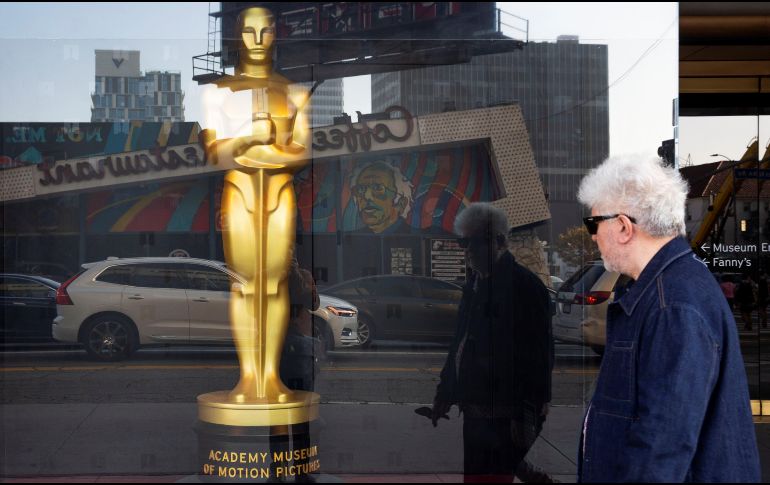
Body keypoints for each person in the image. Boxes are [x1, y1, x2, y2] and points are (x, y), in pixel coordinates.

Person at [576, 155, 760, 482]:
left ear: (622, 226)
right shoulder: (670, 290)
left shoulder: (672, 305)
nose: (592, 236)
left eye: (593, 224)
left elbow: (661, 447)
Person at [199, 7, 312, 404]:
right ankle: (248, 378)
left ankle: (270, 377)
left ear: (276, 33)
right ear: (237, 34)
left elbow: (300, 154)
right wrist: (251, 141)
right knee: (244, 286)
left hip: (278, 195)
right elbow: (215, 155)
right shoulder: (217, 93)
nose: (258, 39)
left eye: (265, 30)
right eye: (249, 31)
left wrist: (246, 151)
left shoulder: (294, 93)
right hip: (241, 194)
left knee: (275, 284)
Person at [431, 202, 554, 482]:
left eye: (476, 241)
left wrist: (529, 413)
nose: (469, 250)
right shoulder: (475, 284)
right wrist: (445, 393)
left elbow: (539, 354)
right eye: (465, 242)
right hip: (474, 411)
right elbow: (460, 345)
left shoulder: (525, 287)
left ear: (499, 241)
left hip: (505, 414)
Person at [350, 161, 414, 234]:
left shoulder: (413, 236)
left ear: (401, 203)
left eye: (378, 188)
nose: (367, 197)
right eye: (360, 189)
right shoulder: (355, 237)